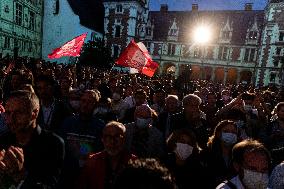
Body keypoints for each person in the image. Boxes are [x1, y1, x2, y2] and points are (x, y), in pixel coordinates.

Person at [0, 90, 65, 188]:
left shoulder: (53, 144)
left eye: (19, 113)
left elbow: (51, 185)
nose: (11, 119)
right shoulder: (3, 140)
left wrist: (21, 175)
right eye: (8, 113)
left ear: (34, 113)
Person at [77, 121, 136, 189]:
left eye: (117, 137)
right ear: (102, 140)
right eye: (108, 137)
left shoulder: (134, 162)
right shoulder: (92, 162)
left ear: (124, 139)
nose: (112, 142)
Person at [204, 120, 239, 188]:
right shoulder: (207, 153)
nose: (230, 134)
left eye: (234, 132)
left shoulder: (238, 155)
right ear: (218, 133)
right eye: (226, 131)